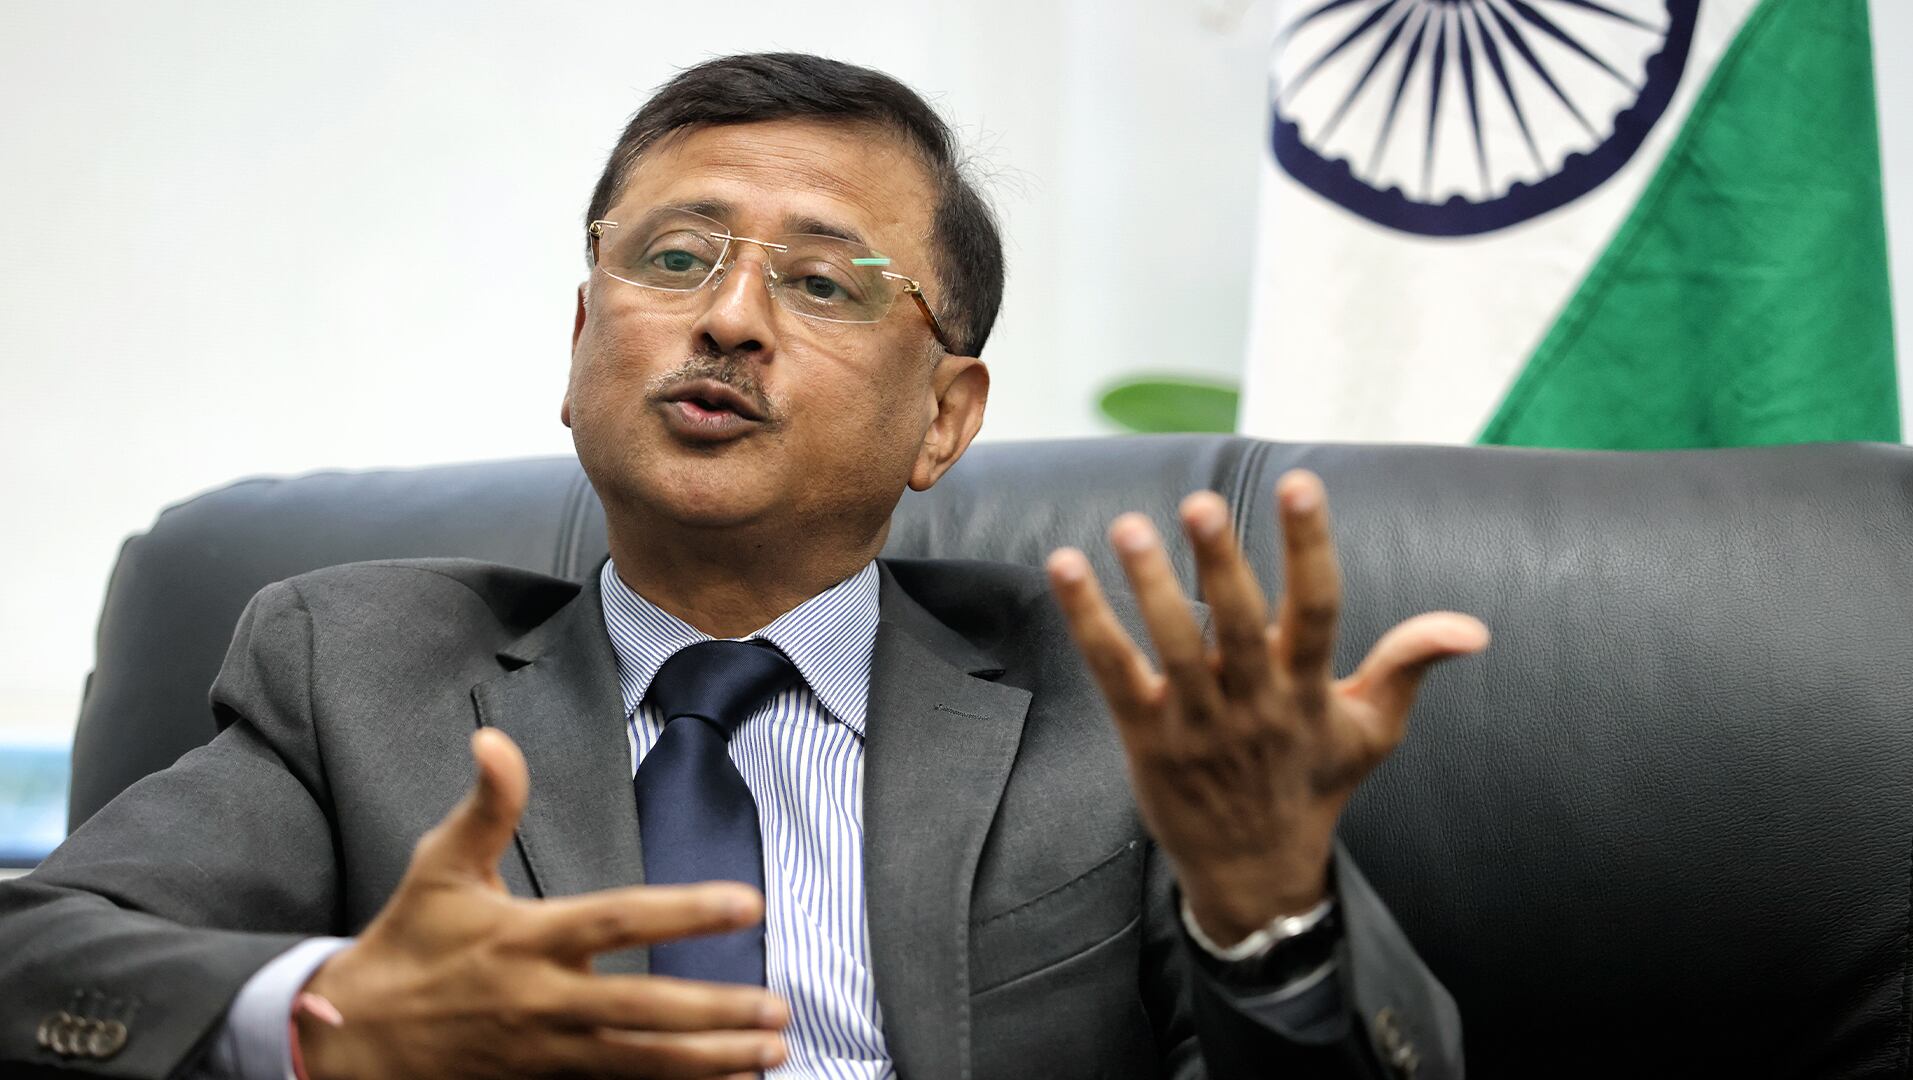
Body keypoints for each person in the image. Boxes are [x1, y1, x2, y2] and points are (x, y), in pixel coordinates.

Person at [0, 53, 1488, 1079]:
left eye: (824, 282)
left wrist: (1269, 922)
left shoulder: (1129, 704)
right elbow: (37, 956)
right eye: (673, 259)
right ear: (581, 343)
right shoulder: (359, 672)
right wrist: (322, 1012)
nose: (726, 320)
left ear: (945, 417)